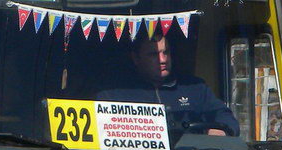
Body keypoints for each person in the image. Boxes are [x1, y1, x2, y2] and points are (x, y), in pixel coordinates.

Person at [99, 34, 239, 137]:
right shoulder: (114, 93)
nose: (163, 60)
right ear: (136, 58)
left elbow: (225, 117)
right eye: (154, 54)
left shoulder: (194, 87)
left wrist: (221, 129)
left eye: (165, 52)